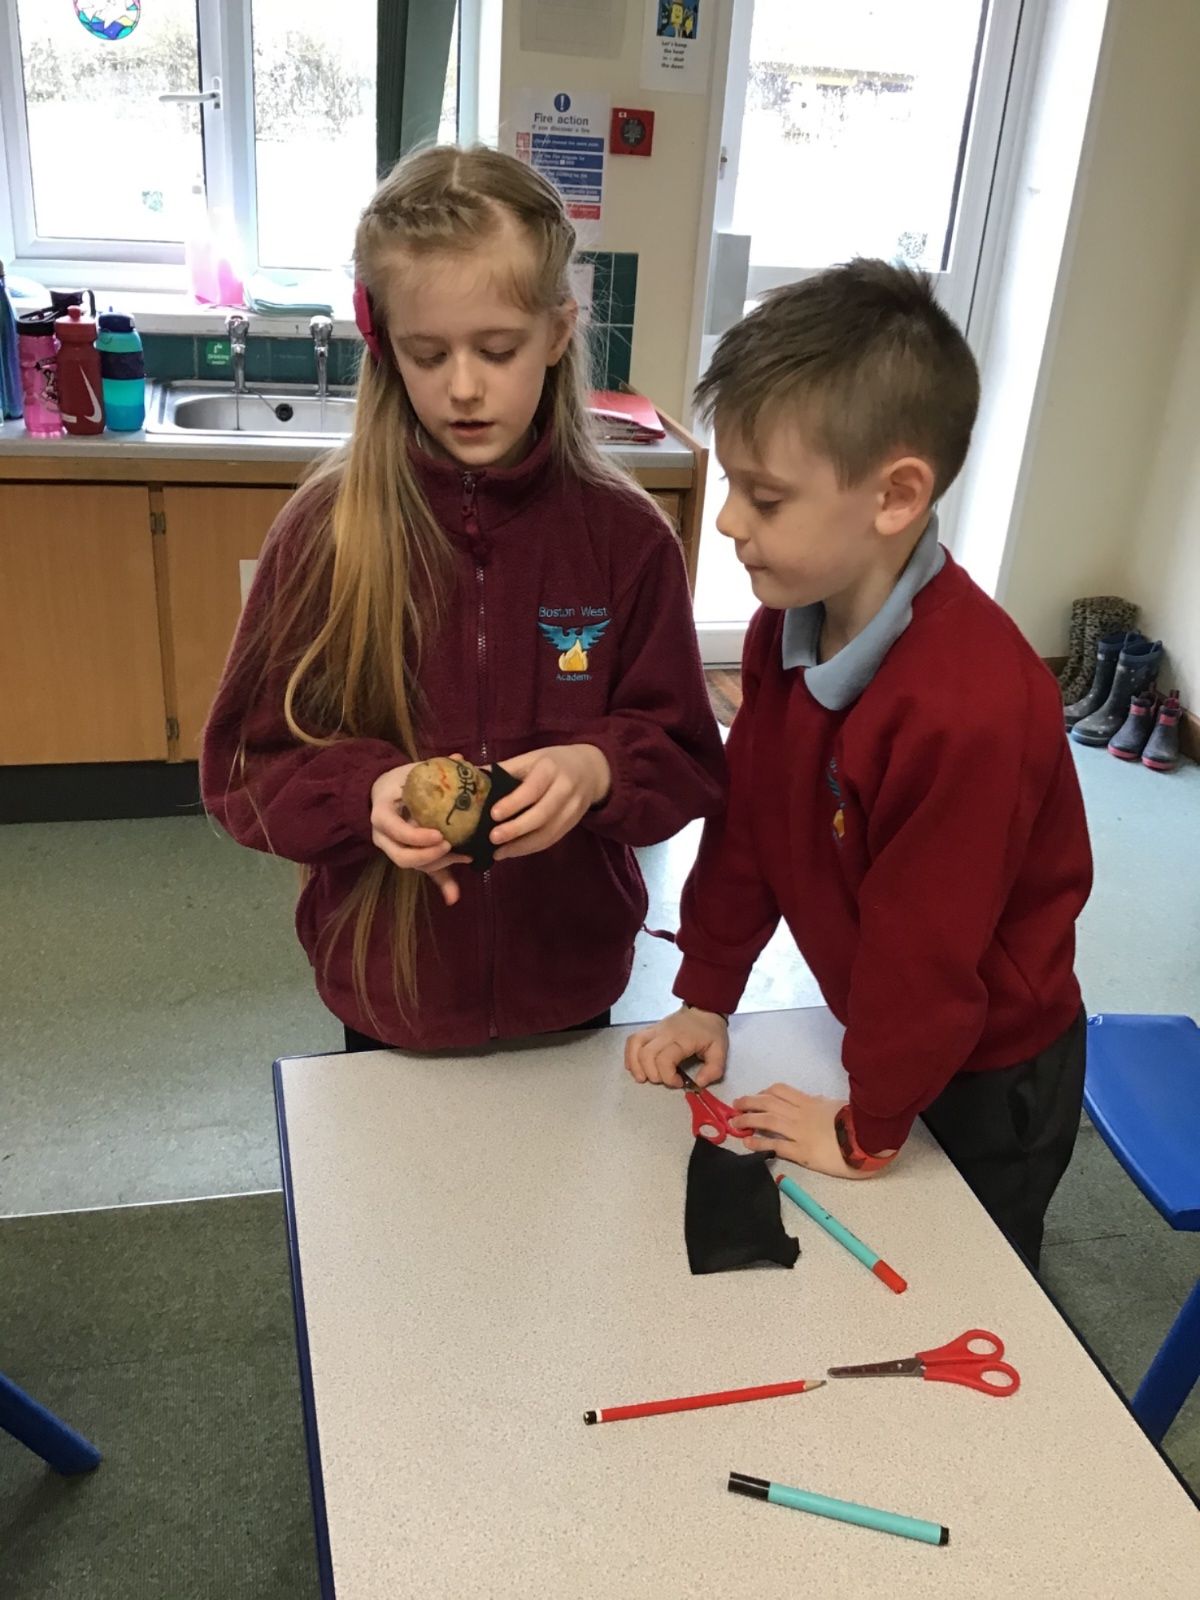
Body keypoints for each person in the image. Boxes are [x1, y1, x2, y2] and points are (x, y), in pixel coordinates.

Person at [202, 145, 724, 1051]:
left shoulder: (627, 538)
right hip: (391, 984)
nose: (465, 386)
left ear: (558, 332)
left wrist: (598, 769)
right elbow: (245, 767)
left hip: (569, 979)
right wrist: (365, 792)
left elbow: (684, 755)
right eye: (428, 353)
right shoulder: (326, 533)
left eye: (497, 349)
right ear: (383, 343)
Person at [625, 260, 1092, 1267]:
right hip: (890, 1032)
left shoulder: (970, 708)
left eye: (765, 496)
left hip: (992, 1068)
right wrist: (707, 989)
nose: (729, 521)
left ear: (896, 496)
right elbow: (751, 824)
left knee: (966, 1273)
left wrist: (868, 1127)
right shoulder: (785, 624)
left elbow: (924, 951)